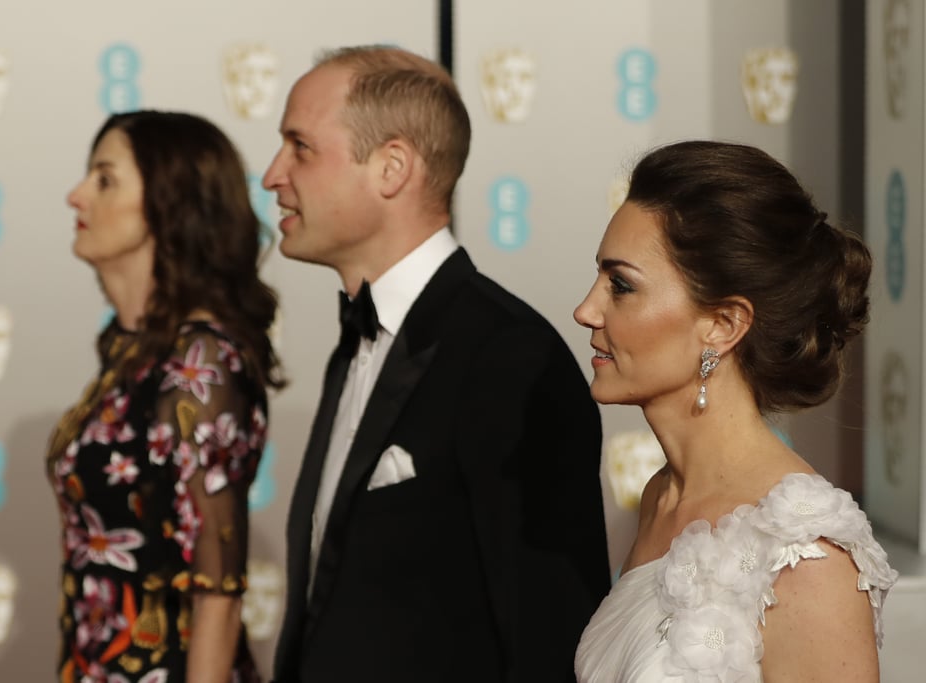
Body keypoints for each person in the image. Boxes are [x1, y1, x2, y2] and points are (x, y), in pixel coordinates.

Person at [262, 45, 610, 683]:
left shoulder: (510, 357)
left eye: (300, 147)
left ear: (392, 167)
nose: (272, 175)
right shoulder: (355, 346)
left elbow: (546, 631)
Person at [573, 140, 899, 681]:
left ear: (723, 325)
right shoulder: (661, 496)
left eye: (621, 285)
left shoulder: (804, 553)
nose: (586, 310)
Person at [46, 110, 282, 683]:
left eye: (105, 179)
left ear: (170, 204)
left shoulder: (201, 364)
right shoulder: (129, 354)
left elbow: (219, 594)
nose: (75, 196)